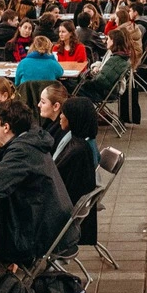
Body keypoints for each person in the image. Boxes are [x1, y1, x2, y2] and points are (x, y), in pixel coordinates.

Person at [0, 97, 72, 267]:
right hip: (47, 223)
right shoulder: (31, 141)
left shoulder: (21, 152)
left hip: (33, 235)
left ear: (6, 127)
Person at [52, 97, 101, 246]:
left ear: (74, 118)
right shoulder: (79, 144)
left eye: (64, 113)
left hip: (61, 215)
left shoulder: (77, 151)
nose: (60, 116)